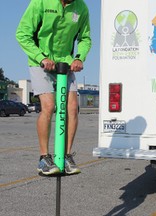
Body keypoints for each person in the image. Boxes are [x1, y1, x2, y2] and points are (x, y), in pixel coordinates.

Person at [16, 0, 92, 175]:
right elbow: (22, 34)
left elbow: (85, 38)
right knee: (49, 106)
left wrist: (79, 57)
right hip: (40, 62)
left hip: (66, 63)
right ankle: (43, 158)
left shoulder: (81, 7)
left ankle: (66, 156)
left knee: (72, 107)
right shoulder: (40, 2)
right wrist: (41, 57)